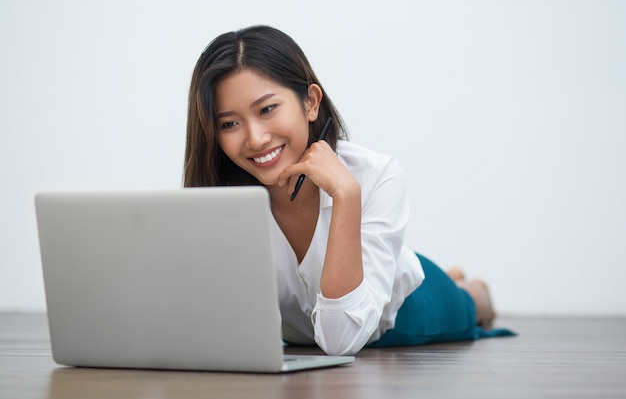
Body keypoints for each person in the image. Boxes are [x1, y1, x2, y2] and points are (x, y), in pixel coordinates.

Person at [183, 25, 513, 356]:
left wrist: (346, 195)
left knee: (469, 306)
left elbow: (341, 341)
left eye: (267, 109)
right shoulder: (220, 199)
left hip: (404, 314)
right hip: (303, 334)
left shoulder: (377, 175)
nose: (255, 138)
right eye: (229, 123)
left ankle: (472, 288)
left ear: (310, 103)